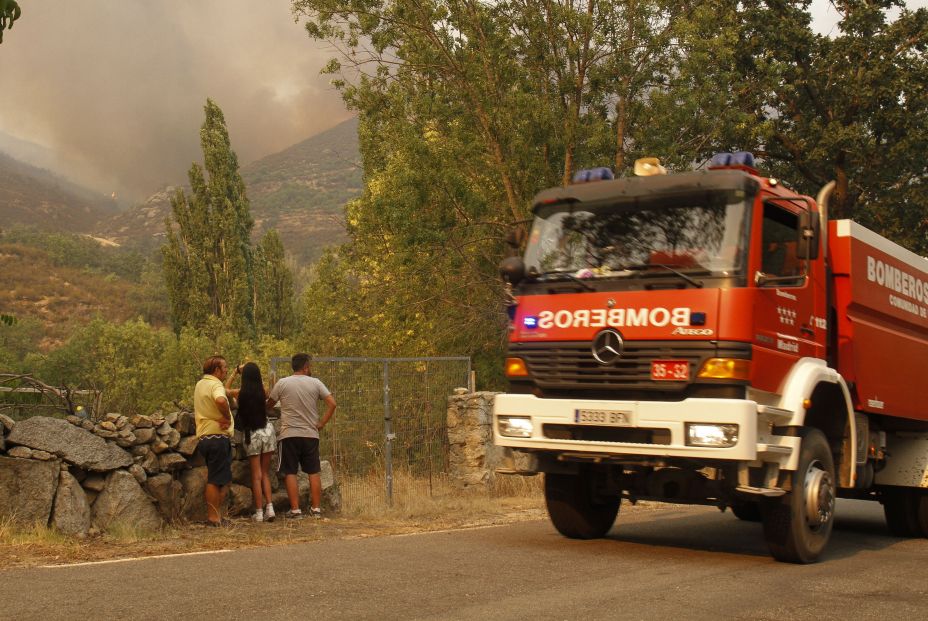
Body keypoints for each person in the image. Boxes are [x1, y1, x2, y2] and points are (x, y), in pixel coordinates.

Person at [266, 353, 336, 519]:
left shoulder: (282, 383)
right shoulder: (316, 383)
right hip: (310, 434)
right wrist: (321, 423)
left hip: (289, 434)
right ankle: (316, 509)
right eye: (309, 366)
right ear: (305, 367)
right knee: (313, 471)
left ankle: (296, 510)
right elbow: (332, 404)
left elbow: (269, 404)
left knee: (290, 471)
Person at [225, 362, 277, 523]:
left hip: (252, 434)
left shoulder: (240, 393)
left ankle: (259, 512)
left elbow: (224, 390)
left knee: (256, 476)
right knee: (265, 473)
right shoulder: (264, 392)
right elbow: (272, 388)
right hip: (267, 431)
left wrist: (235, 372)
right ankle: (270, 508)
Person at [194, 355, 234, 527]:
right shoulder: (215, 384)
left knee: (218, 477)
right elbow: (220, 399)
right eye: (224, 367)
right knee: (216, 479)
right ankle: (214, 518)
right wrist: (226, 416)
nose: (226, 370)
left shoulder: (200, 384)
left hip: (205, 436)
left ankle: (216, 516)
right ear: (216, 370)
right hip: (217, 437)